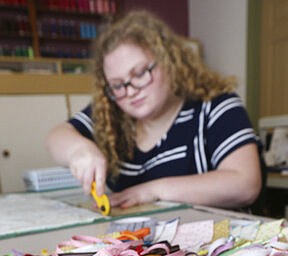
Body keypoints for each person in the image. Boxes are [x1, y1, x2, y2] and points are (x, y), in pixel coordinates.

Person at [46, 9, 262, 210]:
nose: (130, 91)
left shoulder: (215, 107)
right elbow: (57, 136)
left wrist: (152, 190)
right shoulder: (112, 113)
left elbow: (245, 185)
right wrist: (79, 150)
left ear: (169, 61)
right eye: (118, 85)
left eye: (140, 73)